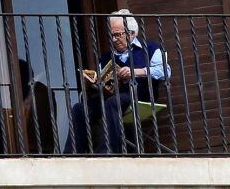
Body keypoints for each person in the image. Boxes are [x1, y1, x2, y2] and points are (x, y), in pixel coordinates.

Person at [63, 10, 170, 154]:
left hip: (140, 97)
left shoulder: (150, 49)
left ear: (131, 33)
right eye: (112, 35)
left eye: (117, 35)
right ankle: (72, 153)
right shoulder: (107, 57)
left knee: (113, 103)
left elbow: (165, 71)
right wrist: (95, 82)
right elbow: (102, 81)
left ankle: (107, 152)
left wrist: (136, 72)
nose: (114, 39)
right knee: (79, 108)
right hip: (112, 97)